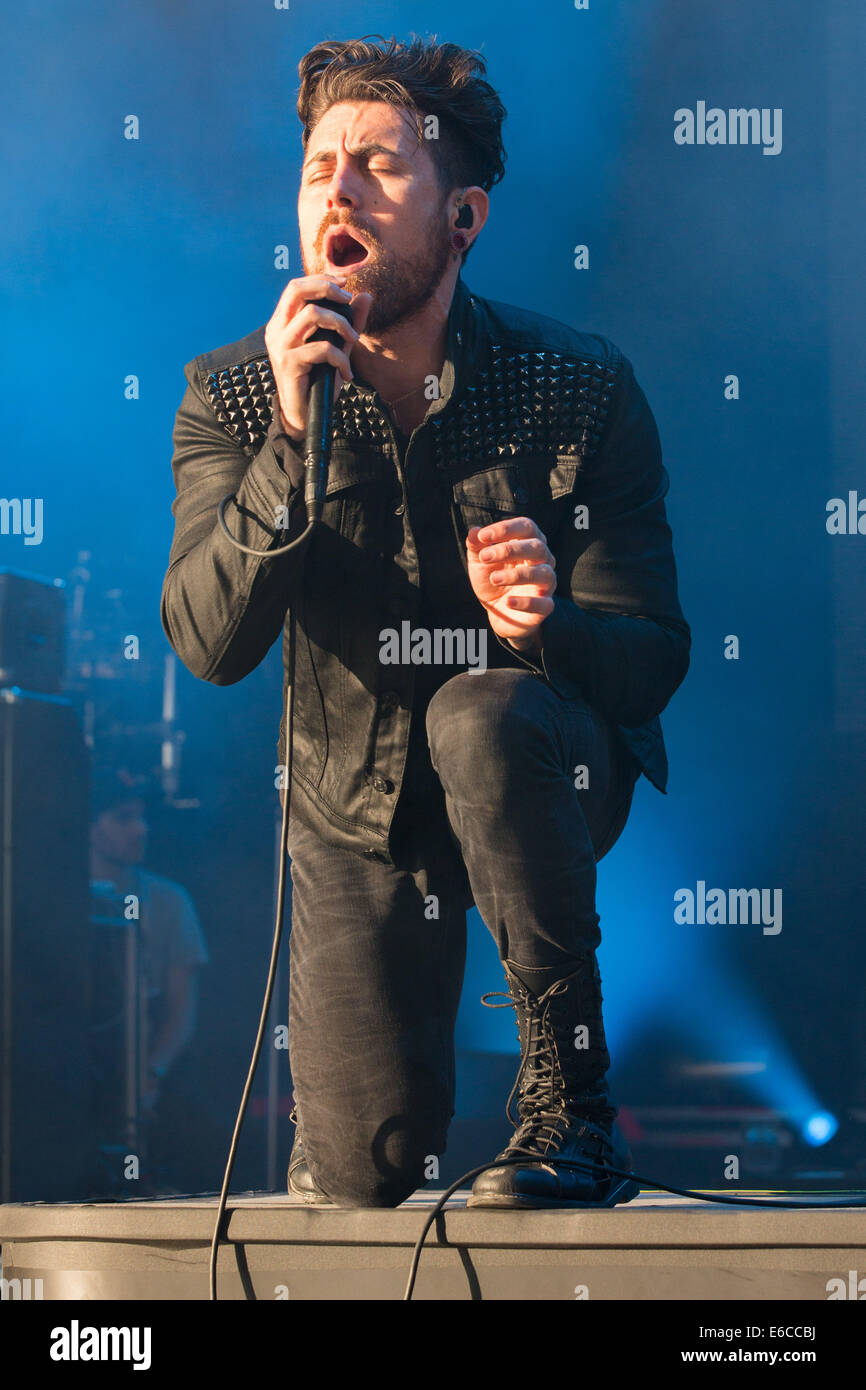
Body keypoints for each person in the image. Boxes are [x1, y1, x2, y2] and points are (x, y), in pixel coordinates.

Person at [160, 35, 690, 1209]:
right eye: (318, 168)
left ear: (461, 219)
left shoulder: (572, 385)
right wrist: (292, 442)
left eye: (378, 168)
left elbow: (651, 655)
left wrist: (546, 623)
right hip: (352, 805)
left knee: (479, 712)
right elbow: (207, 643)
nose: (336, 192)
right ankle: (364, 1126)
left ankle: (573, 1110)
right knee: (361, 1177)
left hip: (535, 759)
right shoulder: (236, 395)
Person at [89, 769, 208, 1126]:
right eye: (124, 818)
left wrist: (152, 1071)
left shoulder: (170, 901)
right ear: (87, 826)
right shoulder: (54, 899)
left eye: (142, 818)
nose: (141, 830)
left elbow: (181, 1007)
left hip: (143, 1076)